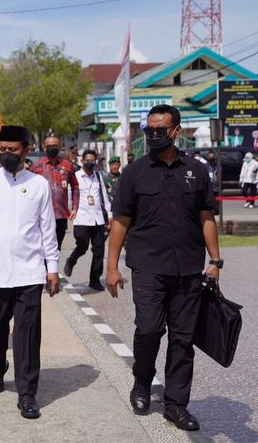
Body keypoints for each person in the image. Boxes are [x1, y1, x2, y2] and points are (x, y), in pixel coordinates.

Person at [106, 104, 221, 432]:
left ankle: (176, 404)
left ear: (176, 131)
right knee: (150, 329)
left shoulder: (197, 171)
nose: (154, 136)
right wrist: (111, 267)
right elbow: (120, 222)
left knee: (183, 339)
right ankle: (142, 383)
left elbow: (206, 217)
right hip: (148, 267)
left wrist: (215, 262)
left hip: (188, 268)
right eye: (149, 131)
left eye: (161, 130)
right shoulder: (134, 173)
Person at [0, 125, 60, 420]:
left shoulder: (39, 184)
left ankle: (27, 393)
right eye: (1, 149)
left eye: (12, 149)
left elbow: (47, 230)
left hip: (29, 274)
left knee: (27, 335)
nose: (6, 154)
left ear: (27, 150)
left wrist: (52, 268)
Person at [63, 150, 112, 291]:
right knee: (82, 245)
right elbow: (70, 195)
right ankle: (71, 260)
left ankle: (95, 279)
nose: (90, 162)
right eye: (87, 160)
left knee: (99, 250)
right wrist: (69, 211)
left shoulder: (98, 176)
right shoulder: (76, 176)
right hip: (81, 217)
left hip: (97, 218)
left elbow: (104, 196)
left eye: (92, 160)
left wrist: (109, 215)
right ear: (82, 161)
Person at [30, 134, 80, 251]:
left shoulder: (67, 165)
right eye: (49, 146)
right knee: (41, 249)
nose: (52, 148)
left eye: (55, 146)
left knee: (56, 249)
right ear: (44, 147)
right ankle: (44, 269)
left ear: (60, 146)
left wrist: (74, 208)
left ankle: (52, 269)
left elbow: (75, 187)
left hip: (60, 215)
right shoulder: (36, 167)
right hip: (41, 216)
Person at [205, 151, 219, 215]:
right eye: (210, 157)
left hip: (216, 185)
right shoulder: (206, 166)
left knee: (217, 199)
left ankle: (216, 211)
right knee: (210, 199)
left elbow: (219, 174)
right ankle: (211, 211)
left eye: (212, 157)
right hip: (209, 185)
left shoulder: (217, 166)